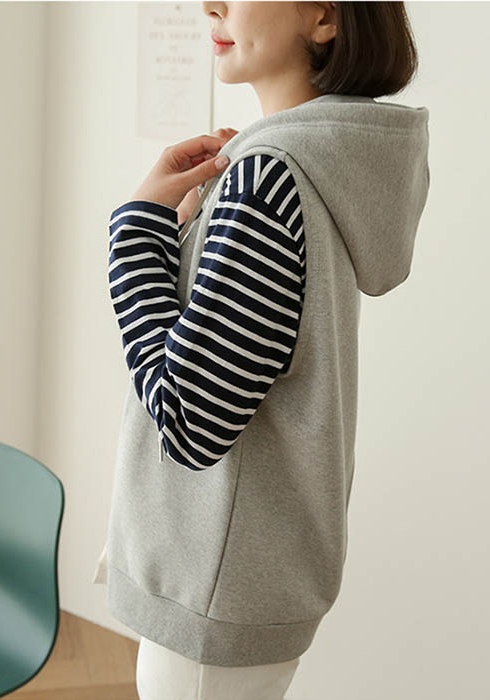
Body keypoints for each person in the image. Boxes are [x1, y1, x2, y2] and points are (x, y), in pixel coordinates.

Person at [94, 2, 430, 698]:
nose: (210, 5)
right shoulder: (306, 167)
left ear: (325, 18)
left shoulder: (267, 180)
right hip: (236, 582)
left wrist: (136, 236)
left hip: (211, 597)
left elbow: (188, 421)